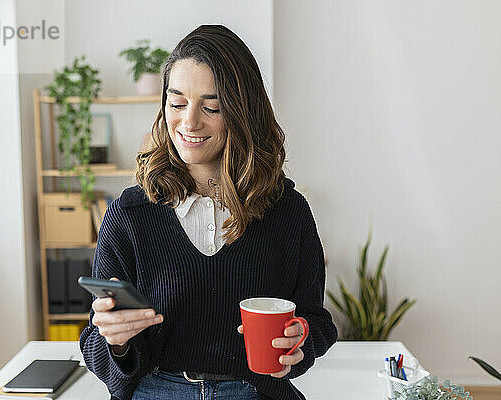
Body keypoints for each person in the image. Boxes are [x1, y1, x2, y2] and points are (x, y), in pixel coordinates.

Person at [80, 24, 337, 400]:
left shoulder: (288, 212)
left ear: (241, 111)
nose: (189, 122)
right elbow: (95, 343)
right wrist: (116, 342)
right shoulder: (130, 216)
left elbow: (316, 321)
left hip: (256, 391)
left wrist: (300, 340)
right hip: (157, 390)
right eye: (177, 102)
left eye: (211, 106)